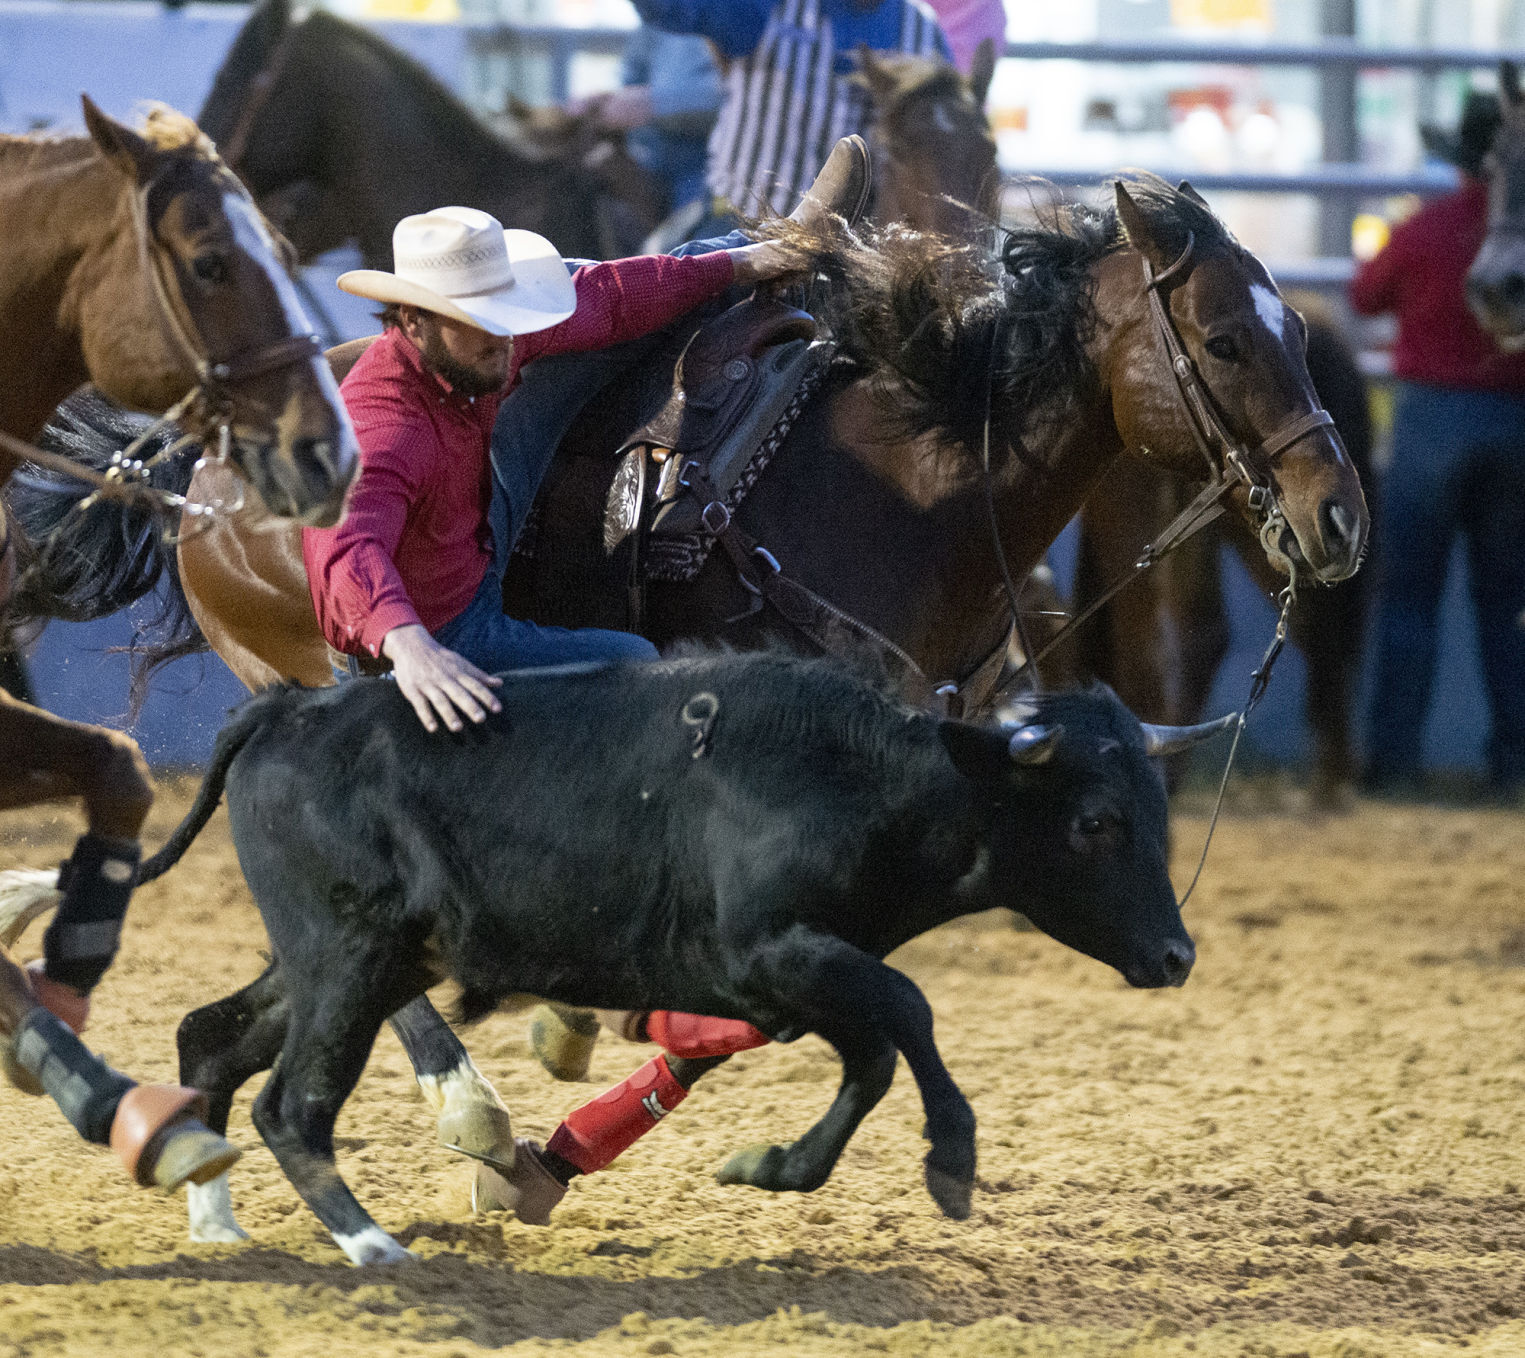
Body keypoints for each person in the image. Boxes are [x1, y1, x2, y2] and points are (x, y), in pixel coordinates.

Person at [304, 206, 814, 728]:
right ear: (414, 321)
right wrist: (409, 646)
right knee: (632, 662)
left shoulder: (477, 343)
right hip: (444, 629)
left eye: (507, 312)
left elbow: (608, 299)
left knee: (576, 283)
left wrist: (744, 262)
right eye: (485, 318)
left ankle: (758, 237)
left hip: (464, 547)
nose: (506, 337)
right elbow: (345, 542)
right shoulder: (387, 429)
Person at [1352, 92, 1525, 800]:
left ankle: (1394, 765)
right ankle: (1512, 765)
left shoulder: (1423, 229)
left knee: (1408, 604)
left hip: (1427, 425)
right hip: (1513, 422)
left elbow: (1364, 296)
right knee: (1505, 604)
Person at [630, 0, 949, 230]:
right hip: (743, 229)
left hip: (851, 248)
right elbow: (668, 7)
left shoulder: (921, 30)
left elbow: (949, 139)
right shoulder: (767, 7)